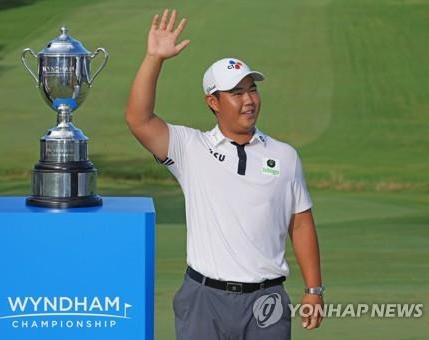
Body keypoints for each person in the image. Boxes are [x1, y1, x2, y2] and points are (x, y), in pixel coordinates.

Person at [125, 9, 324, 340]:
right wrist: (153, 59)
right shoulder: (190, 148)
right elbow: (138, 119)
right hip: (204, 299)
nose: (249, 100)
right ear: (213, 102)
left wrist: (314, 289)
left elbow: (300, 223)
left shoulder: (285, 156)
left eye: (252, 89)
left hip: (267, 301)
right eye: (236, 93)